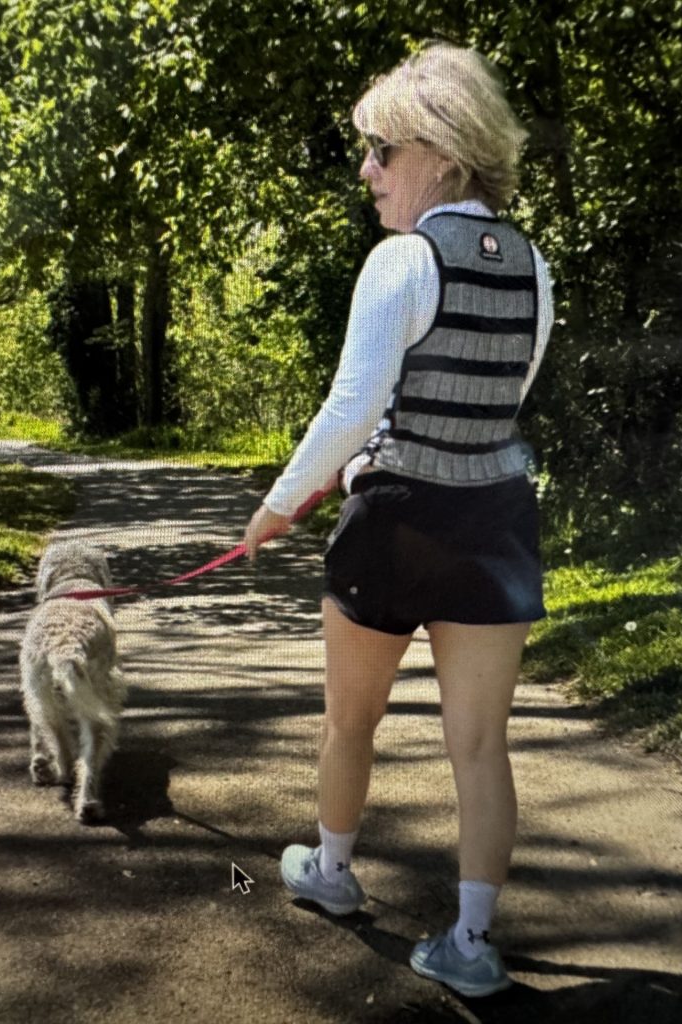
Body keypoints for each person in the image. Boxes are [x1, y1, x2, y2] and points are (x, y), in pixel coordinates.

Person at [244, 40, 553, 999]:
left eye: (383, 148)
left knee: (350, 724)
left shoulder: (401, 261)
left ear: (444, 152)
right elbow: (495, 402)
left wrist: (277, 505)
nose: (370, 171)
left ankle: (333, 878)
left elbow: (351, 408)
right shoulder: (535, 267)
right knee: (479, 746)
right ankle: (470, 942)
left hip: (394, 526)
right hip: (495, 526)